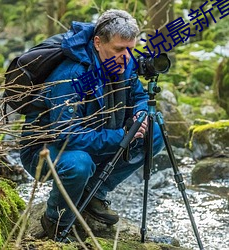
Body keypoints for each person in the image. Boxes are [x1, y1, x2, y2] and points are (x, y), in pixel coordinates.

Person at [20, 9, 164, 241]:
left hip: (96, 136)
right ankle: (55, 221)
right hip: (46, 150)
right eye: (119, 49)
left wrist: (140, 114)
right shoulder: (72, 75)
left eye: (131, 49)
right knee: (79, 164)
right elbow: (66, 135)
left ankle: (94, 193)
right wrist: (121, 136)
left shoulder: (122, 62)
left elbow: (138, 95)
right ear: (98, 42)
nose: (126, 56)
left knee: (154, 132)